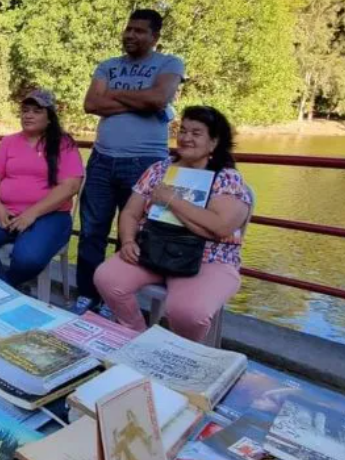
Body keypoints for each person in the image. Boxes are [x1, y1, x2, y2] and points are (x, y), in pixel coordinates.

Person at [93, 106, 252, 342]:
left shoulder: (226, 178)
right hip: (155, 248)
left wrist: (170, 199)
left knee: (188, 312)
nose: (186, 138)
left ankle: (181, 350)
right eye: (183, 131)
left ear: (214, 142)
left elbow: (220, 228)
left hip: (208, 258)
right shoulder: (159, 170)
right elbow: (130, 213)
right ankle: (136, 336)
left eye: (196, 133)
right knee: (107, 277)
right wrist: (127, 241)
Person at [76, 9, 186, 313]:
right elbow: (90, 104)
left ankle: (115, 298)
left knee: (133, 233)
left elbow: (157, 100)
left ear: (154, 37)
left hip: (146, 165)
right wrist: (139, 98)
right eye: (128, 29)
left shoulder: (169, 63)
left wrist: (113, 95)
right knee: (91, 231)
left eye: (139, 31)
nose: (131, 35)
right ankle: (88, 295)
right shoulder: (108, 65)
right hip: (101, 161)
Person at [0, 89, 84, 289]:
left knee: (28, 258)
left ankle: (3, 288)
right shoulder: (9, 142)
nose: (28, 115)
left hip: (49, 215)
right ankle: (8, 288)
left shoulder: (64, 143)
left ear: (50, 117)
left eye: (36, 111)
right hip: (6, 211)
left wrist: (32, 214)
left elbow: (71, 185)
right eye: (25, 110)